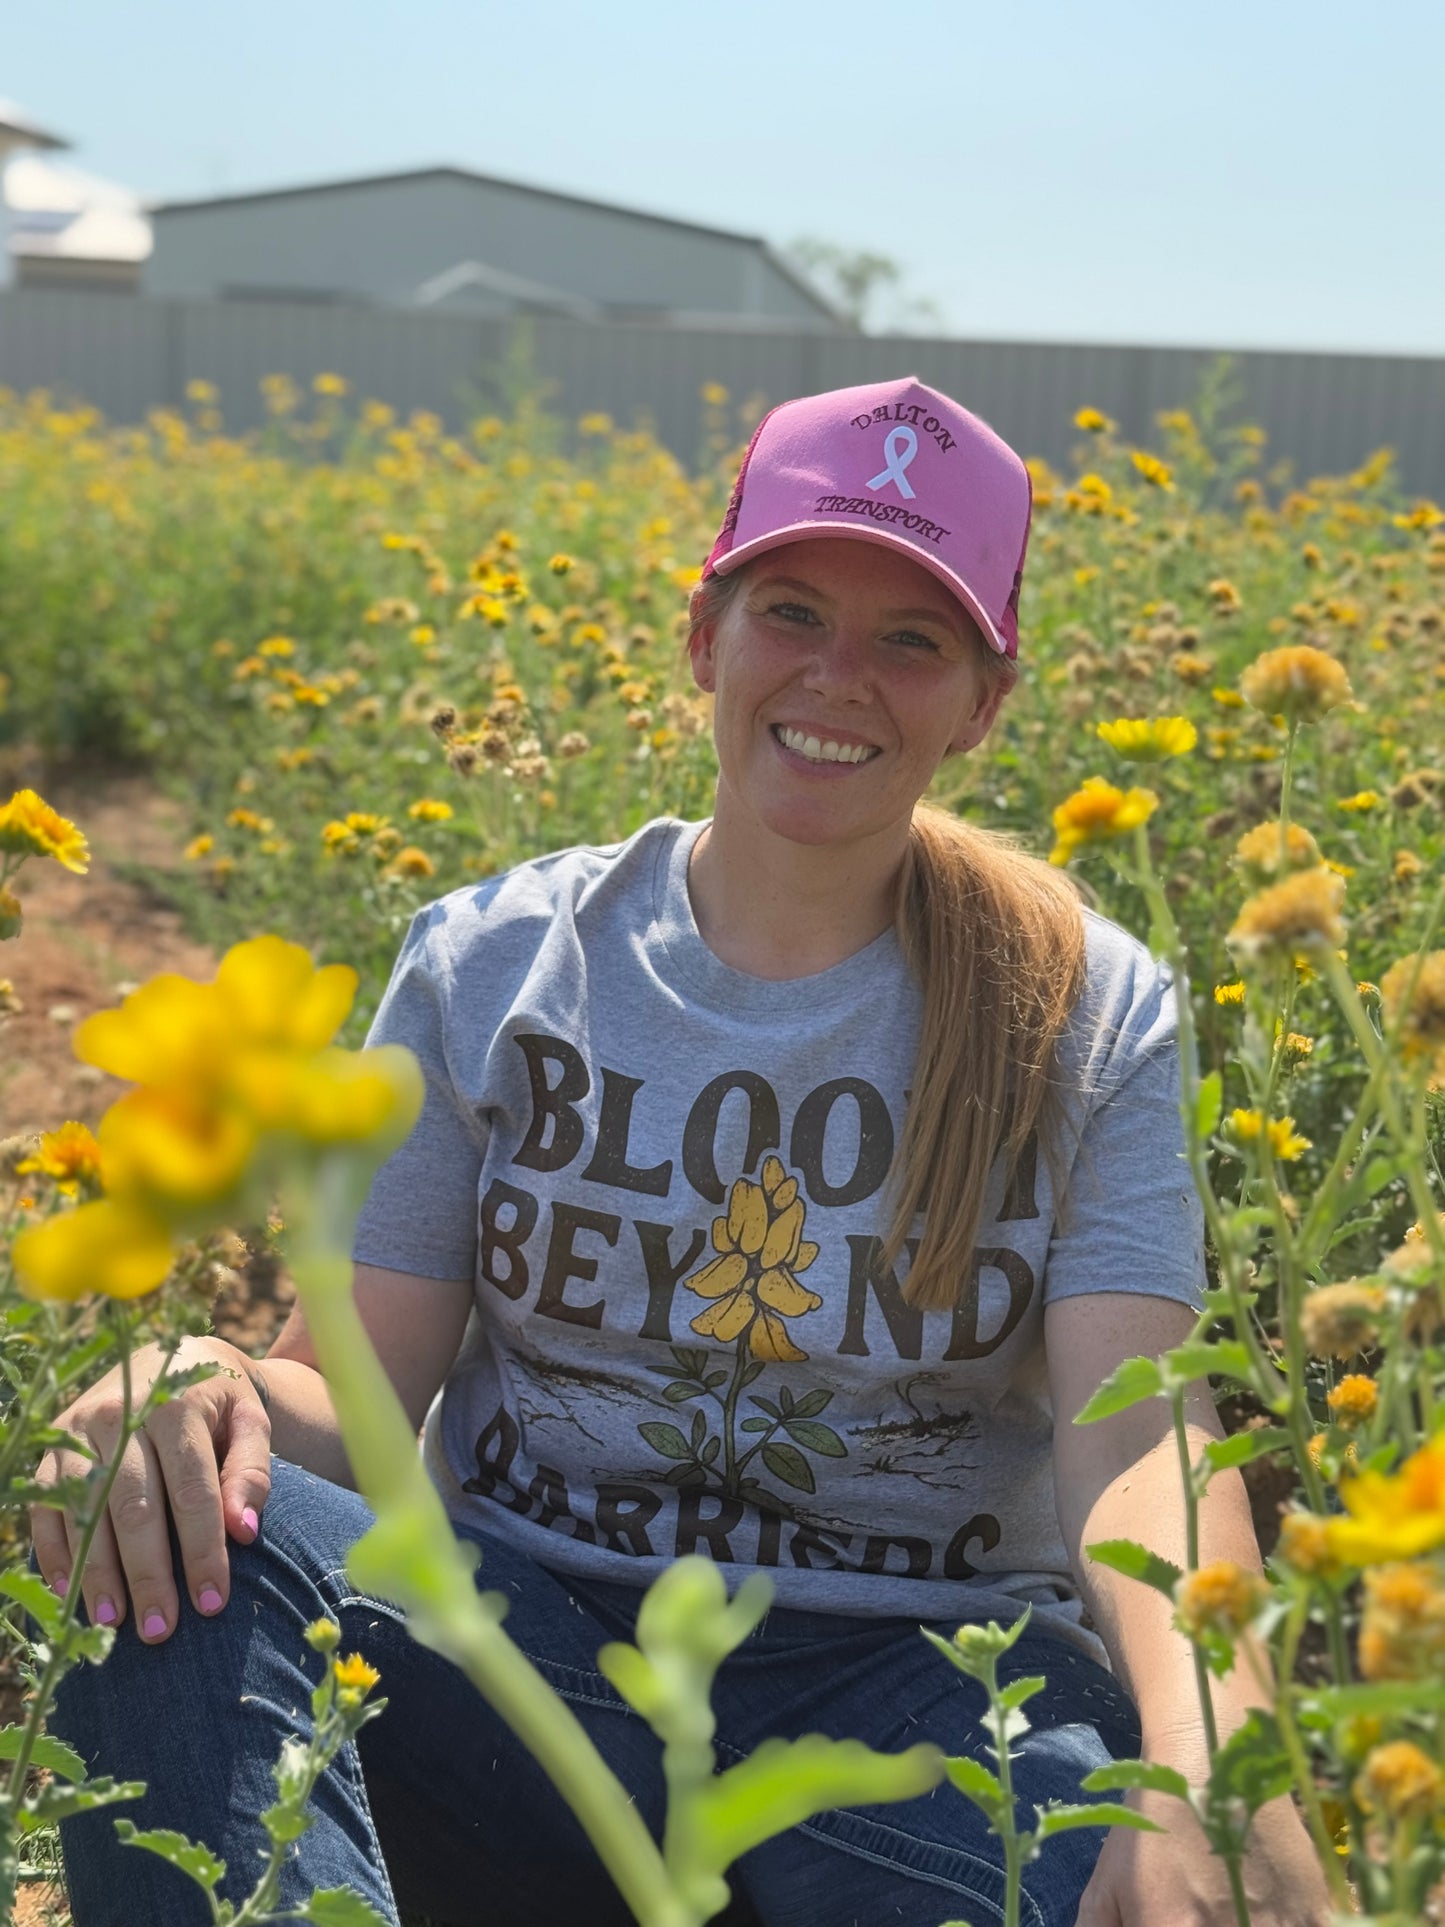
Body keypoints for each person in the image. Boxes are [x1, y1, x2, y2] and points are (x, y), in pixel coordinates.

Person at [38, 377, 1331, 1926]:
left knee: (1133, 1886)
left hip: (917, 1710)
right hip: (522, 1667)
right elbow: (352, 1402)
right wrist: (202, 1379)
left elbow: (1142, 1440)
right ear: (703, 638)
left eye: (909, 637)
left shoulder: (1083, 1008)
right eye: (791, 610)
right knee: (178, 1529)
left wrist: (1213, 1760)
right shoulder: (494, 964)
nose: (837, 677)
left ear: (982, 702)